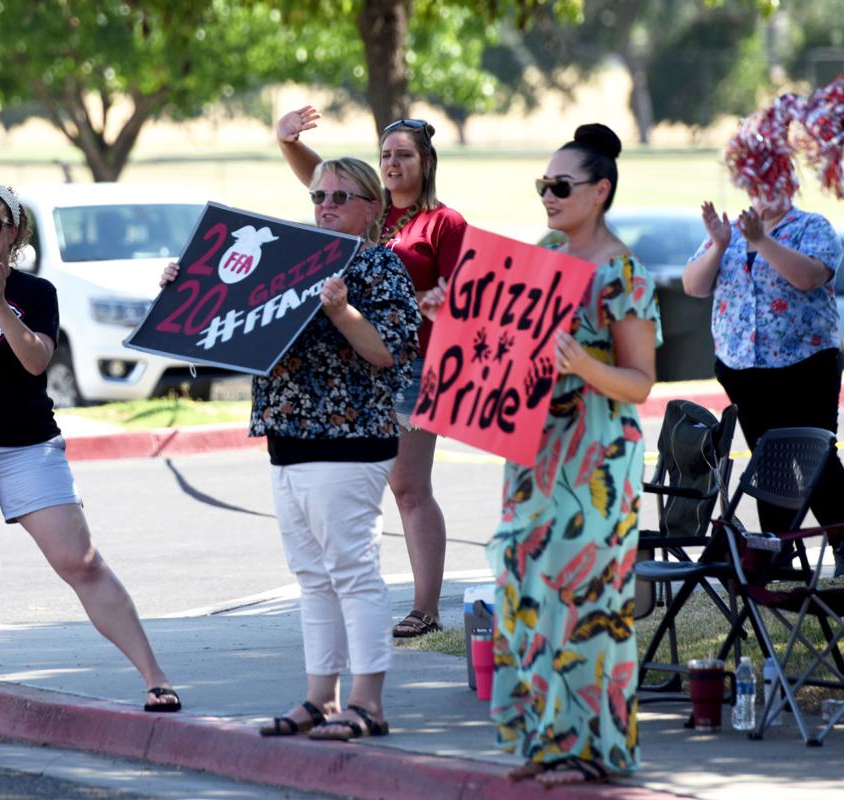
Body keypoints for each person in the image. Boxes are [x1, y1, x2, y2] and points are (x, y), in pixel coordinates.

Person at [0, 179, 180, 747]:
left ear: (14, 233)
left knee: (79, 561)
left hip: (28, 447)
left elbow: (35, 362)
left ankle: (157, 679)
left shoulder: (38, 291)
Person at [423, 124, 658, 786]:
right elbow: (501, 343)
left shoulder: (622, 272)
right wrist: (453, 315)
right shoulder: (545, 253)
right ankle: (545, 740)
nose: (548, 197)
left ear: (599, 191)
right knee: (525, 589)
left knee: (585, 602)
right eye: (542, 186)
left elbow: (641, 382)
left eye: (560, 187)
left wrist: (584, 363)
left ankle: (592, 751)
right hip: (533, 451)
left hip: (597, 458)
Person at [161, 157, 420, 741]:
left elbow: (386, 352)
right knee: (312, 575)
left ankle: (367, 702)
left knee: (353, 573)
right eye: (318, 196)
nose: (326, 205)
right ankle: (319, 699)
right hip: (286, 437)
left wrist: (341, 309)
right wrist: (189, 290)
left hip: (350, 440)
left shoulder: (379, 267)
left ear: (373, 207)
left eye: (341, 196)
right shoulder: (286, 263)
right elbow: (222, 325)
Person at [275, 106, 466, 638]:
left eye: (404, 155)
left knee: (408, 486)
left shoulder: (443, 223)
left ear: (426, 162)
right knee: (352, 484)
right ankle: (345, 601)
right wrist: (287, 142)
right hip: (351, 368)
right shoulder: (369, 209)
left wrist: (439, 300)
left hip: (412, 363)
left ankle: (425, 608)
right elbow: (327, 184)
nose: (392, 164)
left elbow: (466, 292)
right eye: (385, 155)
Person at [682, 126, 844, 575]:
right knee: (769, 458)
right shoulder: (730, 231)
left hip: (804, 364)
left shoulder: (812, 227)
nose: (765, 193)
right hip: (744, 367)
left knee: (815, 454)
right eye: (757, 185)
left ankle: (841, 539)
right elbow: (693, 286)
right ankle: (779, 550)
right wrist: (719, 244)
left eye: (775, 183)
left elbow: (809, 277)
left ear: (790, 183)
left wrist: (761, 242)